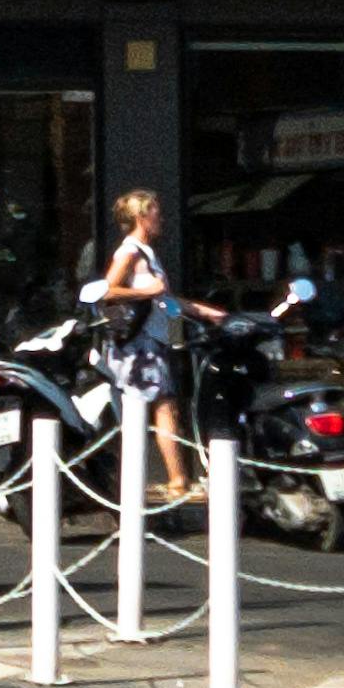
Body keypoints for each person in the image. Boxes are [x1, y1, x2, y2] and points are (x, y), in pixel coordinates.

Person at [93, 187, 228, 506]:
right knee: (162, 408)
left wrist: (204, 311)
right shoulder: (130, 251)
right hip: (138, 347)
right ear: (142, 216)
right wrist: (146, 292)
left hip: (151, 342)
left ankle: (168, 479)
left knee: (162, 409)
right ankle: (176, 480)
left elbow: (164, 299)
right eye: (156, 212)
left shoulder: (146, 253)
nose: (161, 218)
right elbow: (106, 291)